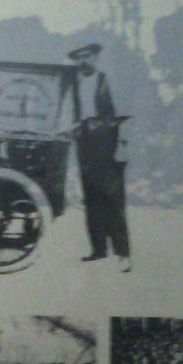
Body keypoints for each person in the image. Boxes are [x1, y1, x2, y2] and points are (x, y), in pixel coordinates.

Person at [61, 42, 131, 270]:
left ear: (95, 57)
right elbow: (70, 114)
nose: (84, 61)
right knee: (91, 196)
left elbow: (122, 116)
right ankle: (98, 249)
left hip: (107, 141)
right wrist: (72, 129)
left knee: (112, 197)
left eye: (88, 56)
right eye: (80, 57)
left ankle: (123, 253)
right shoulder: (74, 83)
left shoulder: (106, 80)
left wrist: (121, 146)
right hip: (85, 142)